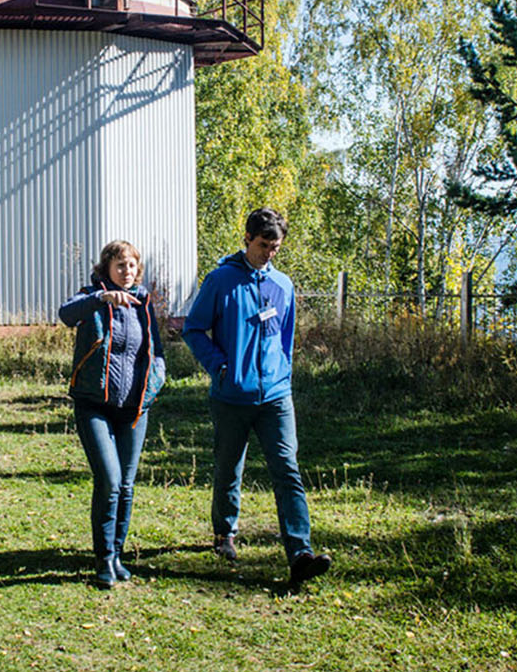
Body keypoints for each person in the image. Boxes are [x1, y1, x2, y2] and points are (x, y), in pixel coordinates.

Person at [181, 207, 332, 590]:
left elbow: (286, 337)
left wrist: (283, 371)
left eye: (275, 247)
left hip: (276, 396)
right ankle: (224, 532)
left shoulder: (283, 285)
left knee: (287, 468)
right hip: (232, 395)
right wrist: (220, 366)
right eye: (264, 245)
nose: (269, 253)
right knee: (229, 466)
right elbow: (195, 329)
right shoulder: (221, 281)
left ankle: (300, 553)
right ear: (247, 239)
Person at [59, 239, 167, 589]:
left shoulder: (144, 303)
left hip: (134, 409)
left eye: (132, 266)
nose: (127, 272)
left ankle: (117, 554)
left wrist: (153, 385)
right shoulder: (90, 296)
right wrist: (100, 298)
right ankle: (103, 557)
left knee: (127, 484)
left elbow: (157, 353)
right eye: (120, 266)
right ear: (106, 268)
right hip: (94, 404)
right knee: (109, 478)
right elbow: (66, 314)